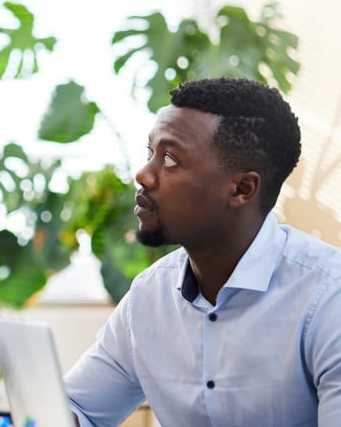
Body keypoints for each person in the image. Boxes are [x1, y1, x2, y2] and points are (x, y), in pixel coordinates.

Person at [65, 77, 341, 426]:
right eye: (150, 153)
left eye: (169, 160)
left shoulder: (329, 298)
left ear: (242, 188)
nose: (143, 175)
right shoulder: (149, 298)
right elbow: (79, 409)